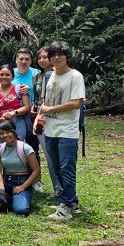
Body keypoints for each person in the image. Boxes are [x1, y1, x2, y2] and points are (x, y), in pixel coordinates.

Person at [36, 41, 85, 221]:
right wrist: (39, 119)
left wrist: (51, 110)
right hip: (50, 128)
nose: (56, 57)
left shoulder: (75, 76)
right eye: (53, 55)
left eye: (60, 54)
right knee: (56, 167)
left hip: (67, 130)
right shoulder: (50, 77)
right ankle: (71, 201)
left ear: (67, 56)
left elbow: (76, 103)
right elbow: (45, 102)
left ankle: (65, 208)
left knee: (66, 168)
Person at [0, 120, 40, 216]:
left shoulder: (25, 148)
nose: (5, 135)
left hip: (22, 182)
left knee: (21, 211)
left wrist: (22, 187)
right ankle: (6, 198)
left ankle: (10, 200)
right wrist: (1, 188)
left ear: (14, 131)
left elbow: (36, 171)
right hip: (6, 181)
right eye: (2, 133)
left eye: (7, 132)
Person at [13, 47, 42, 192]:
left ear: (31, 61)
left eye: (27, 59)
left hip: (33, 115)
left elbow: (41, 92)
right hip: (15, 116)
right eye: (21, 59)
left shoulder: (36, 74)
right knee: (14, 147)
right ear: (16, 60)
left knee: (32, 148)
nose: (23, 62)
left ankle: (36, 180)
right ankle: (14, 177)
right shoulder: (9, 74)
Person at [33, 46, 59, 198]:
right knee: (48, 153)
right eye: (39, 58)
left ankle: (61, 187)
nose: (42, 60)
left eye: (45, 57)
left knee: (55, 153)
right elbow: (37, 98)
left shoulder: (57, 75)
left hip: (53, 115)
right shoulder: (37, 76)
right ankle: (57, 187)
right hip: (40, 116)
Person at [0, 64, 31, 146]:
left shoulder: (20, 88)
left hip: (17, 122)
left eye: (7, 75)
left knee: (18, 149)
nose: (4, 77)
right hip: (0, 124)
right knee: (2, 149)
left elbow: (27, 107)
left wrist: (13, 113)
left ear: (12, 77)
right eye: (1, 74)